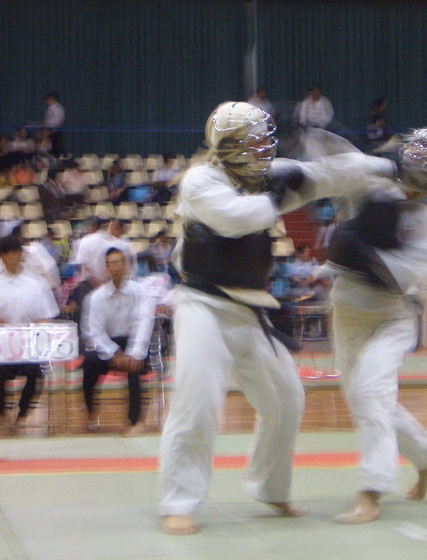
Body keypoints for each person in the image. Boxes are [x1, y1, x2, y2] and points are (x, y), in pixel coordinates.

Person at [157, 101, 398, 535]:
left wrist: (387, 165)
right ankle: (179, 502)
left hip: (249, 310)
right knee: (196, 402)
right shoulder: (201, 181)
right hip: (202, 306)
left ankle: (271, 488)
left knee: (286, 398)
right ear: (229, 145)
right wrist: (276, 193)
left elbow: (330, 174)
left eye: (265, 139)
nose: (264, 147)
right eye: (254, 140)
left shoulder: (267, 177)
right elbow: (236, 219)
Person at [320, 126, 427, 524]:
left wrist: (364, 255)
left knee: (369, 394)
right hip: (347, 309)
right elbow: (340, 165)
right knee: (368, 400)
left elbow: (420, 271)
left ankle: (372, 493)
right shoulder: (374, 187)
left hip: (391, 317)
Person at [0, 236, 59, 429]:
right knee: (0, 374)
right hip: (1, 350)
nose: (14, 257)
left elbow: (46, 316)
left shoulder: (36, 284)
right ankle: (1, 413)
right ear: (2, 256)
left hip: (28, 349)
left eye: (17, 253)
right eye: (9, 253)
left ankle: (22, 414)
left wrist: (37, 325)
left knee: (35, 373)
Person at [80, 247, 155, 434]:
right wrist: (113, 353)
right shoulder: (95, 297)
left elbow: (144, 323)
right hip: (108, 344)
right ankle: (91, 413)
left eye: (120, 262)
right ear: (106, 268)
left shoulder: (142, 291)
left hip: (133, 342)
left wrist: (134, 353)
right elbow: (94, 332)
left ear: (127, 265)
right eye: (111, 263)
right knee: (89, 364)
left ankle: (134, 422)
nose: (116, 267)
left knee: (135, 368)